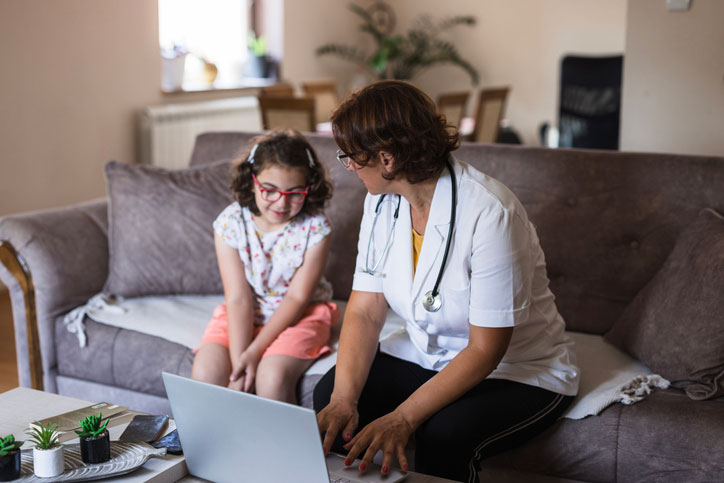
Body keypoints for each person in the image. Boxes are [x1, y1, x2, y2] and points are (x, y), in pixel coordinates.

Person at [314, 81, 579, 483]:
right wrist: (343, 399)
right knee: (331, 401)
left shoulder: (490, 212)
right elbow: (366, 309)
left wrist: (403, 417)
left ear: (386, 159)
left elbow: (486, 348)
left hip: (515, 369)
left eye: (351, 156)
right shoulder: (381, 200)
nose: (348, 165)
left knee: (444, 434)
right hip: (428, 354)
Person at [192, 130, 339, 404]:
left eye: (295, 193)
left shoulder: (316, 228)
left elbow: (297, 298)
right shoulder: (229, 224)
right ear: (251, 182)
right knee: (205, 373)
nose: (282, 202)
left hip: (298, 315)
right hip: (244, 311)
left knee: (271, 378)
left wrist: (255, 351)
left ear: (310, 187)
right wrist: (240, 362)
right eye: (269, 190)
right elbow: (237, 298)